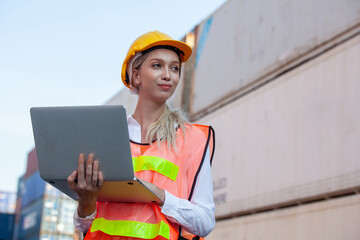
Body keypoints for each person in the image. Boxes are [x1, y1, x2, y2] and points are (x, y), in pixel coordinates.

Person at [67, 30, 215, 240]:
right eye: (157, 65)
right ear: (136, 75)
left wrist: (161, 196)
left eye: (175, 68)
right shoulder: (107, 137)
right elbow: (84, 225)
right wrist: (86, 201)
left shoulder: (192, 139)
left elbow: (206, 221)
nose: (168, 75)